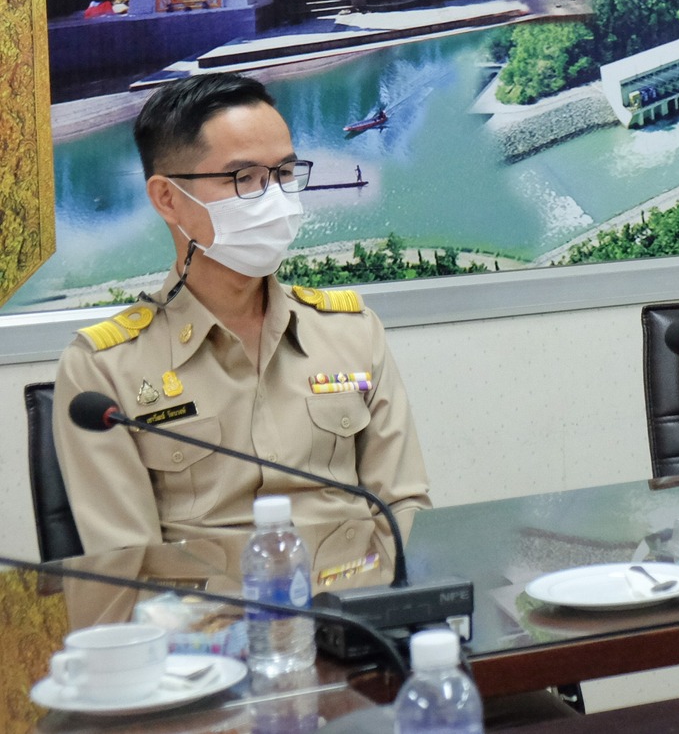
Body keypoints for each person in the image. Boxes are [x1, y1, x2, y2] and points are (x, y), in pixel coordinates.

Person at [53, 73, 429, 555]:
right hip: (205, 622)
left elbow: (403, 509)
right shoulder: (104, 369)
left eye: (285, 174)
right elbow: (129, 568)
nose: (275, 199)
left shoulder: (352, 333)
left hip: (358, 613)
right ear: (168, 198)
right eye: (243, 178)